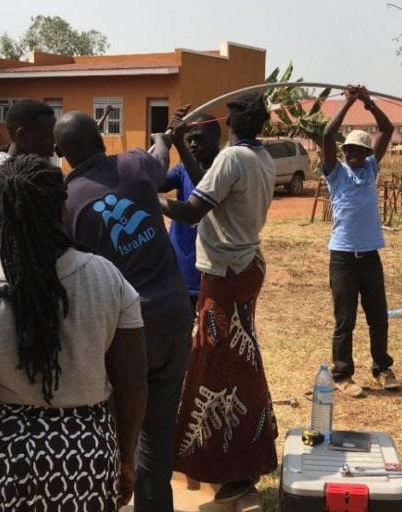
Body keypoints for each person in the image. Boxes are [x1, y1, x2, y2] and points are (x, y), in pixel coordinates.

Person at [0, 155, 148, 512]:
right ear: (62, 208)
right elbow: (132, 384)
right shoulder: (109, 279)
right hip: (87, 460)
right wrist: (126, 457)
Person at [56, 108, 190, 511]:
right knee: (159, 430)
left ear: (61, 153)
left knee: (115, 430)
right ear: (101, 140)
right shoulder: (134, 164)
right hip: (173, 315)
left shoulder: (66, 202)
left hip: (123, 331)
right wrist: (164, 138)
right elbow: (159, 157)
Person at [159, 93, 278, 503]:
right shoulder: (262, 157)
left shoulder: (230, 158)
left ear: (231, 123)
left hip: (226, 273)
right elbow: (207, 188)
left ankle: (228, 465)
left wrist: (147, 197)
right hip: (246, 266)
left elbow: (192, 211)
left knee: (218, 367)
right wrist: (178, 143)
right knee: (238, 359)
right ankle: (239, 458)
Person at [320, 85, 399, 398]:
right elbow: (328, 135)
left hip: (369, 256)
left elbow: (387, 129)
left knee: (378, 316)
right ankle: (342, 374)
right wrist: (348, 102)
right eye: (349, 150)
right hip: (342, 257)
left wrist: (368, 102)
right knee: (345, 319)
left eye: (358, 150)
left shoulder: (370, 169)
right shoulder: (336, 172)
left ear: (367, 154)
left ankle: (382, 368)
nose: (352, 154)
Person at [0, 100, 56, 268]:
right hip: (3, 272)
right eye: (46, 137)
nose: (53, 146)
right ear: (22, 135)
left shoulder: (44, 172)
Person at [160, 112, 222, 315]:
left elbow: (204, 186)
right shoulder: (182, 170)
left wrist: (180, 145)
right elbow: (156, 181)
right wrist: (164, 143)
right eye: (190, 140)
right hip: (182, 268)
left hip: (212, 269)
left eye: (199, 138)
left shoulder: (224, 170)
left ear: (217, 135)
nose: (193, 144)